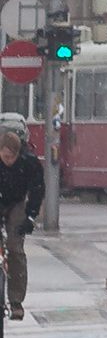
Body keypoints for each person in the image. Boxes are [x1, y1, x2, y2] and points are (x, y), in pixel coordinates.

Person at [0, 125, 40, 321]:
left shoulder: (29, 162)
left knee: (15, 248)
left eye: (12, 157)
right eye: (5, 157)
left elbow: (37, 189)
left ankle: (16, 301)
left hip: (16, 202)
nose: (9, 161)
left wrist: (30, 217)